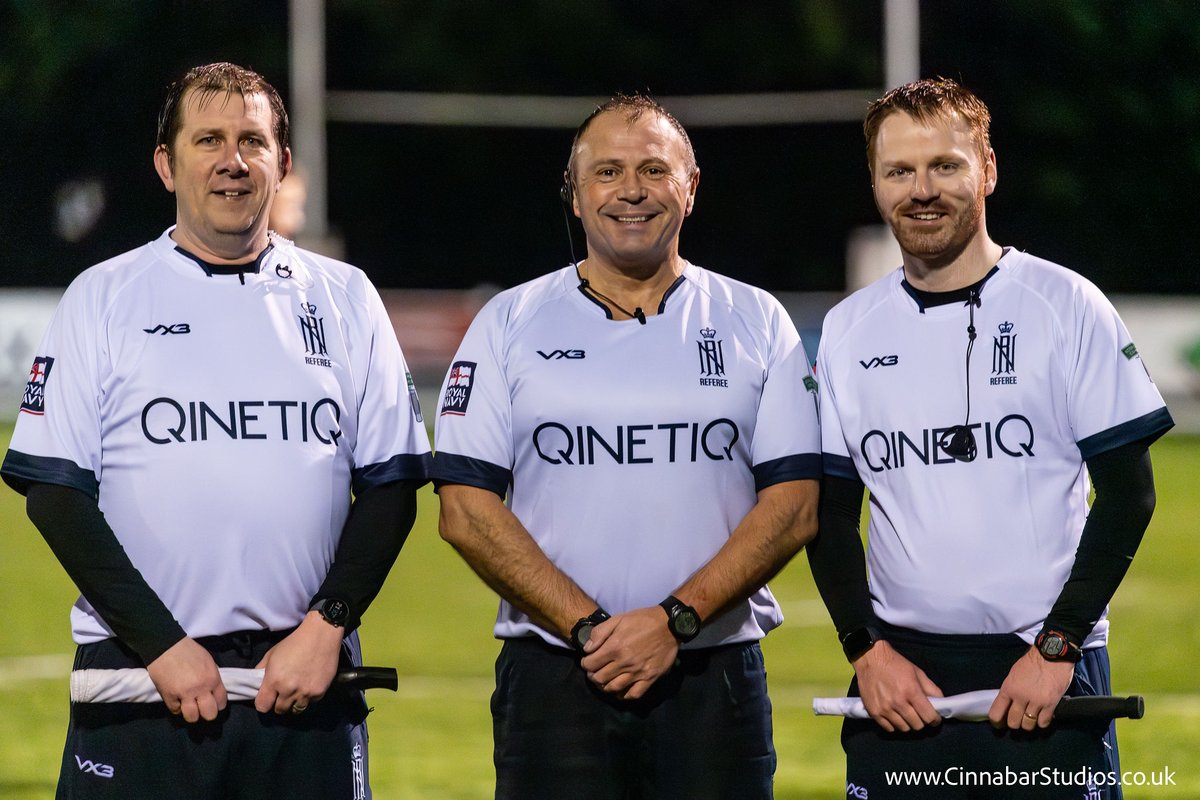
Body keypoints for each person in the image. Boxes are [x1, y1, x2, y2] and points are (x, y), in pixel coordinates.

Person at [1, 62, 431, 799]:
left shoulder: (346, 297)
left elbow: (392, 487)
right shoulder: (103, 297)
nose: (232, 162)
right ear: (168, 165)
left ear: (282, 162)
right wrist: (163, 646)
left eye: (251, 141)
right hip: (141, 682)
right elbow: (55, 494)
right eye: (208, 141)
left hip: (304, 684)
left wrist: (326, 628)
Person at [431, 94, 821, 798]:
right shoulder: (508, 321)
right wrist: (591, 630)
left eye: (653, 169)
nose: (631, 190)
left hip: (714, 677)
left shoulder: (757, 320)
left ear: (691, 187)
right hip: (555, 677)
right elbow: (464, 509)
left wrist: (676, 619)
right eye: (607, 172)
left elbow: (794, 506)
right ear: (575, 198)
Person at [807, 77, 1174, 799]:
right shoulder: (848, 331)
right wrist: (867, 652)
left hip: (1045, 670)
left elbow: (1130, 493)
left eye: (945, 165)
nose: (922, 189)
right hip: (901, 681)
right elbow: (826, 515)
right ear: (876, 183)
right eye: (899, 171)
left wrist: (1058, 646)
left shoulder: (1065, 304)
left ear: (988, 169)